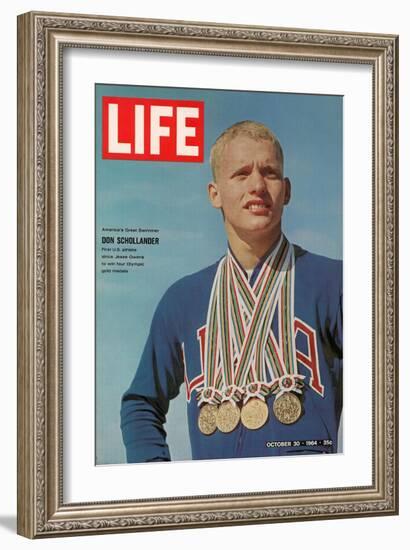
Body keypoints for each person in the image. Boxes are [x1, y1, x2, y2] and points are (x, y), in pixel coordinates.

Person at [120, 120, 342, 462]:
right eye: (241, 173)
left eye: (269, 172)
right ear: (215, 193)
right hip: (218, 504)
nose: (257, 185)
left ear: (287, 189)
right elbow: (141, 403)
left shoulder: (335, 282)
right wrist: (155, 480)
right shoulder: (182, 300)